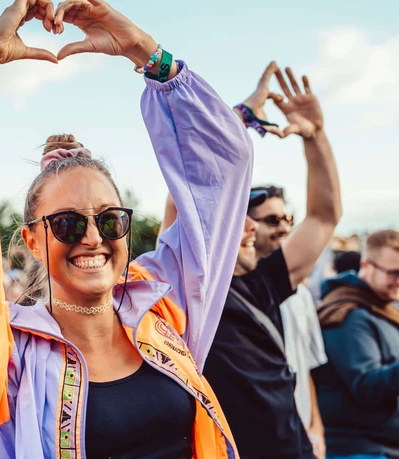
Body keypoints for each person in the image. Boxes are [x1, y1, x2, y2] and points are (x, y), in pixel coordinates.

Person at [0, 0, 254, 457]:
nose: (92, 237)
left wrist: (145, 51)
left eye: (109, 219)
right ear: (32, 240)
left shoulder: (163, 310)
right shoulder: (6, 356)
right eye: (66, 223)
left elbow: (223, 169)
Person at [158, 61, 341, 458]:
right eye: (237, 221)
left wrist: (316, 138)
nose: (254, 229)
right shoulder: (190, 286)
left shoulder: (265, 280)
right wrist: (243, 118)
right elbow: (183, 189)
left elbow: (325, 217)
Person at [248, 185, 328, 459]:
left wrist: (316, 427)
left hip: (303, 441)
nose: (283, 227)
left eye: (287, 219)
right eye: (272, 220)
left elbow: (304, 369)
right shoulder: (226, 297)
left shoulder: (302, 295)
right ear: (246, 227)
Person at [314, 229, 399, 459]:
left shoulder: (380, 309)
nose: (398, 281)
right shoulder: (348, 316)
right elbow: (366, 386)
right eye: (394, 272)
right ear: (367, 265)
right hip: (359, 450)